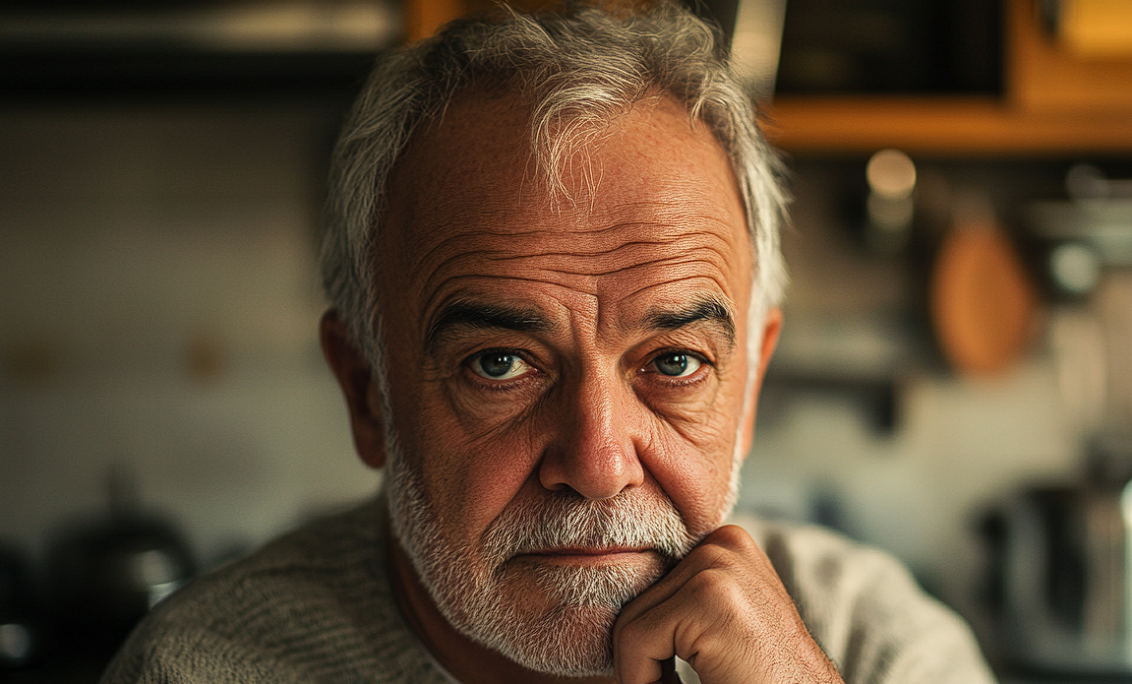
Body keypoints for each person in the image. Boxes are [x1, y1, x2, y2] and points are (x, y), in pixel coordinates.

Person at [102, 3, 995, 683]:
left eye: (674, 362)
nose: (599, 463)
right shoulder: (202, 667)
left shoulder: (875, 646)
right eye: (501, 363)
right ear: (367, 392)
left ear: (751, 384)